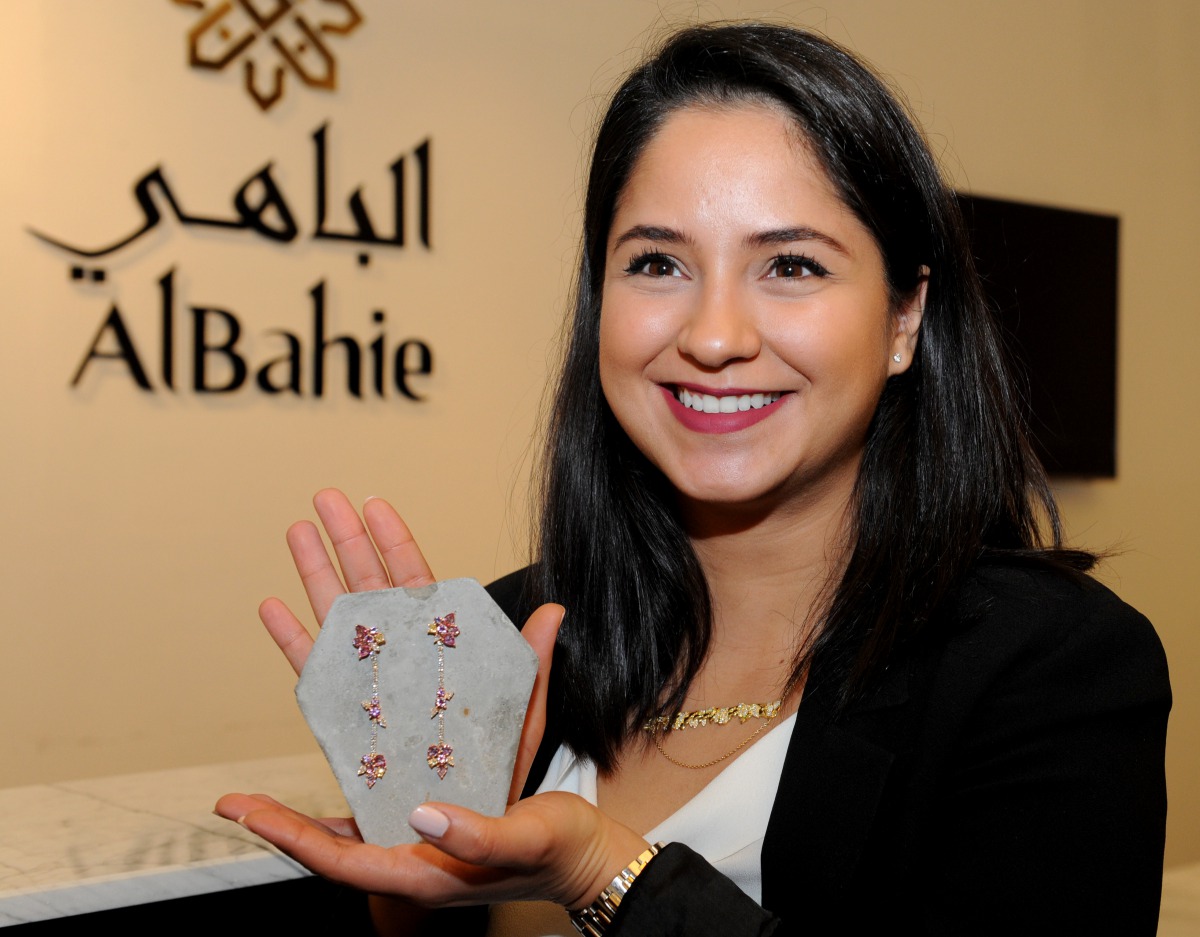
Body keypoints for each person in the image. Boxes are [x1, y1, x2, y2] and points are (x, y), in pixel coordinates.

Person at [216, 22, 1171, 936]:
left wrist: (601, 871)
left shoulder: (1050, 665)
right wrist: (422, 842)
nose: (713, 337)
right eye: (658, 262)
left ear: (904, 317)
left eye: (790, 264)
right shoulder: (508, 638)